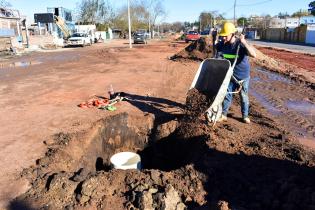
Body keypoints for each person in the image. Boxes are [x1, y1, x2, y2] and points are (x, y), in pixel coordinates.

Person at [216, 22, 256, 124]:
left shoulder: (240, 45)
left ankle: (245, 116)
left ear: (232, 34)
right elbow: (215, 50)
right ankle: (224, 115)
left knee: (243, 97)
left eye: (225, 36)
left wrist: (244, 42)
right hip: (230, 75)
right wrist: (214, 39)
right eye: (222, 36)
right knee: (227, 95)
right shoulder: (222, 45)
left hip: (243, 76)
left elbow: (253, 55)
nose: (223, 38)